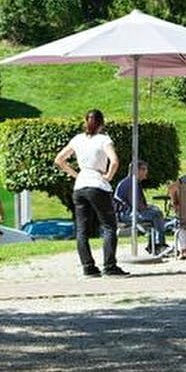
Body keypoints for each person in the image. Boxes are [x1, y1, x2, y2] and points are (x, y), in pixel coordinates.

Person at [54, 110, 126, 278]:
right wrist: (108, 176)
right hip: (97, 184)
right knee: (109, 227)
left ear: (85, 122)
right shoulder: (104, 140)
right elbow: (114, 161)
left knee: (82, 230)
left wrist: (76, 174)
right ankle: (109, 266)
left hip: (80, 186)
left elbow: (59, 160)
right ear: (102, 123)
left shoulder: (77, 139)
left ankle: (88, 267)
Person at [113, 160, 166, 253]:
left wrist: (149, 207)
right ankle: (159, 245)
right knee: (157, 214)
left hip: (126, 212)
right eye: (144, 169)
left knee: (154, 213)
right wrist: (150, 208)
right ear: (136, 170)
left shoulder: (130, 181)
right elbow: (139, 206)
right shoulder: (131, 183)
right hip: (126, 214)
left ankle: (153, 245)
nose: (146, 172)